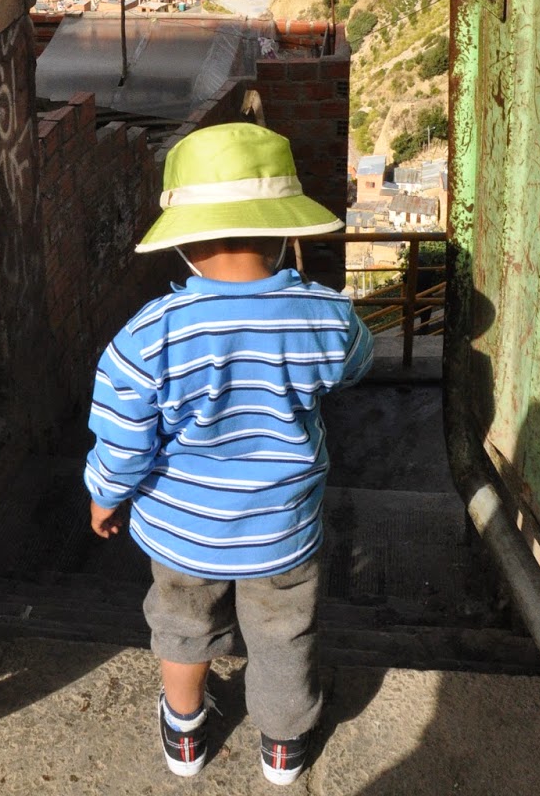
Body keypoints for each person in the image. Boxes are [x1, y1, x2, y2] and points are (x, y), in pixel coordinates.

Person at [85, 122, 374, 785]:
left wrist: (105, 494)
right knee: (282, 635)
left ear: (183, 241)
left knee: (183, 627)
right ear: (281, 231)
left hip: (182, 532)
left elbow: (124, 440)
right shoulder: (323, 318)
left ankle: (185, 735)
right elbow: (355, 363)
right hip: (283, 530)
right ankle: (283, 747)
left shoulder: (145, 337)